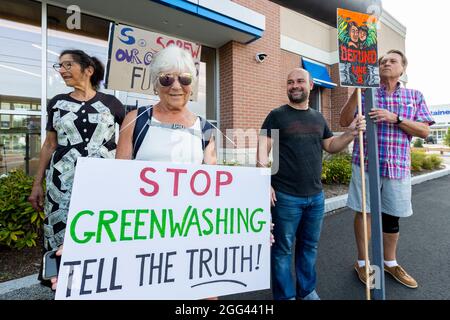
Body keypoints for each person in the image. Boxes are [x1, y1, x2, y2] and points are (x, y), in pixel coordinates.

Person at [257, 68, 366, 300]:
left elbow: (331, 146)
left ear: (311, 86)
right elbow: (261, 151)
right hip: (285, 196)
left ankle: (306, 291)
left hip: (315, 197)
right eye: (290, 82)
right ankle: (285, 296)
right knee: (282, 251)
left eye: (299, 81)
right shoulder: (277, 115)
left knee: (309, 248)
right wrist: (264, 183)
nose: (294, 85)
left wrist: (351, 133)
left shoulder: (318, 117)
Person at [28, 49, 125, 287]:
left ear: (88, 70)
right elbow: (49, 145)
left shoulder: (112, 104)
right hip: (61, 181)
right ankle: (59, 282)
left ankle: (97, 280)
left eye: (68, 65)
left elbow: (125, 144)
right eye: (59, 66)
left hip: (102, 181)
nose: (62, 70)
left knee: (100, 227)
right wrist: (37, 183)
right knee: (59, 227)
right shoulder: (58, 103)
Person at [340, 50, 435, 289]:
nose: (385, 64)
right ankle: (362, 262)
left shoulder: (414, 95)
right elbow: (343, 121)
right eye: (382, 61)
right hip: (366, 164)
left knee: (392, 217)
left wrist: (396, 118)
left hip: (397, 165)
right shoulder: (367, 93)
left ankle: (390, 262)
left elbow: (424, 131)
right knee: (365, 213)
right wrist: (356, 90)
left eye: (392, 61)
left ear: (403, 68)